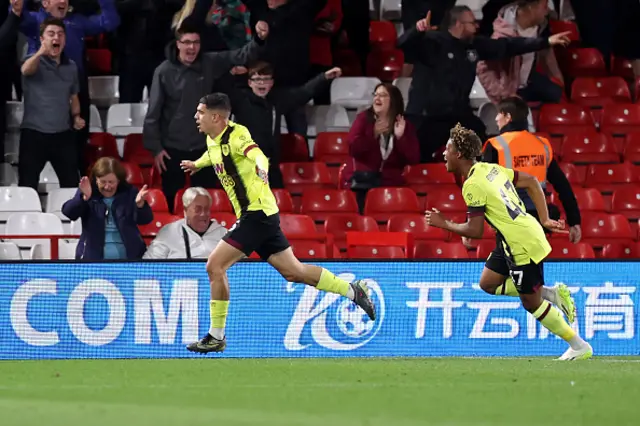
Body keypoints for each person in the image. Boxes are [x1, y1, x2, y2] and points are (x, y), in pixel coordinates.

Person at [179, 93, 375, 353]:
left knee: (215, 266)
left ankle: (216, 336)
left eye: (200, 112)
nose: (196, 116)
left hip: (256, 214)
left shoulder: (238, 136)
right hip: (264, 216)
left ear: (216, 117)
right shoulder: (212, 139)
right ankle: (352, 290)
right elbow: (214, 155)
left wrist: (262, 167)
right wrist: (197, 163)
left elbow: (256, 154)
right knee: (294, 272)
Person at [425, 124, 593, 361]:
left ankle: (578, 345)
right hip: (510, 237)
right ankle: (551, 294)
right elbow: (532, 181)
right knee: (488, 283)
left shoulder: (471, 185)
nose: (444, 154)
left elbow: (475, 230)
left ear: (459, 154)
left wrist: (445, 224)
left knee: (530, 302)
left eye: (448, 149)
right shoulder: (489, 168)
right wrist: (543, 218)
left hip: (521, 242)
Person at [397, 6, 571, 162]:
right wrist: (417, 31)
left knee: (482, 142)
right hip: (428, 116)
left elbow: (508, 46)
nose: (476, 27)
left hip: (457, 115)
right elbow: (403, 45)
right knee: (417, 158)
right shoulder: (432, 41)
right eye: (472, 23)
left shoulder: (473, 45)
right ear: (458, 24)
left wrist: (545, 42)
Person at [143, 20, 266, 213]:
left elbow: (240, 55)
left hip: (204, 147)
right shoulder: (163, 71)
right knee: (170, 200)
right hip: (172, 148)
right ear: (178, 44)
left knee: (207, 198)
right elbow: (153, 113)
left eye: (196, 42)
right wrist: (156, 148)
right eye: (186, 42)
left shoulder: (209, 62)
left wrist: (258, 39)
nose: (191, 47)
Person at [17, 0, 120, 176]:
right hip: (42, 90)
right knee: (31, 169)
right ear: (46, 2)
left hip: (75, 86)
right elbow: (15, 13)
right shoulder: (34, 20)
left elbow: (110, 22)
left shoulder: (77, 21)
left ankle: (78, 190)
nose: (63, 1)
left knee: (77, 151)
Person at [482, 96, 581, 243]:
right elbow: (562, 185)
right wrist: (574, 221)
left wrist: (472, 222)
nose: (496, 119)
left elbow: (482, 186)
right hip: (538, 220)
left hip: (510, 220)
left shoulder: (496, 145)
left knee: (510, 263)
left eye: (499, 114)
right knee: (533, 263)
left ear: (508, 117)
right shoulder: (542, 145)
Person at [227, 62, 342, 188]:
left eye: (266, 79)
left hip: (271, 167)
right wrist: (230, 74)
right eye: (257, 79)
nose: (262, 83)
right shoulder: (240, 100)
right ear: (250, 83)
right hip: (246, 168)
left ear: (272, 83)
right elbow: (220, 90)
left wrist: (323, 77)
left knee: (278, 202)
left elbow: (303, 93)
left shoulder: (277, 100)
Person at [19, 17, 84, 190]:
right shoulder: (33, 62)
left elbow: (74, 96)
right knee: (27, 185)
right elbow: (25, 70)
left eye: (60, 34)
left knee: (71, 185)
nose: (56, 38)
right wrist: (40, 52)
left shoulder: (71, 66)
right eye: (51, 34)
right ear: (42, 39)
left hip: (62, 135)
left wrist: (76, 116)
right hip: (34, 133)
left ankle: (70, 217)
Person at [341, 82, 420, 212]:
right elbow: (353, 148)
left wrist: (401, 138)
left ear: (393, 101)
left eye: (383, 95)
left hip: (391, 184)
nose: (377, 98)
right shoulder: (363, 119)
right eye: (375, 95)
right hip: (363, 184)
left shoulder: (404, 125)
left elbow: (413, 159)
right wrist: (374, 134)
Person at [62, 157, 153, 260]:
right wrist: (84, 198)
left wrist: (140, 205)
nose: (107, 186)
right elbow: (69, 213)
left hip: (130, 259)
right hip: (93, 260)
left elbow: (145, 220)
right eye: (103, 182)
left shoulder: (130, 192)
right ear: (96, 180)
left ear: (118, 181)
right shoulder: (87, 191)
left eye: (111, 182)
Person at [476, 0, 564, 104]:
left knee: (555, 93)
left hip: (527, 81)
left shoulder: (542, 25)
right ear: (531, 7)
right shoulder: (499, 34)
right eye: (544, 6)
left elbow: (547, 55)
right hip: (506, 89)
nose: (548, 10)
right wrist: (503, 95)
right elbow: (482, 69)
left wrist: (559, 79)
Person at [143, 187, 227, 259]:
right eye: (197, 209)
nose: (203, 214)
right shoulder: (169, 232)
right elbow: (148, 265)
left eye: (206, 209)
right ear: (185, 210)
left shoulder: (224, 234)